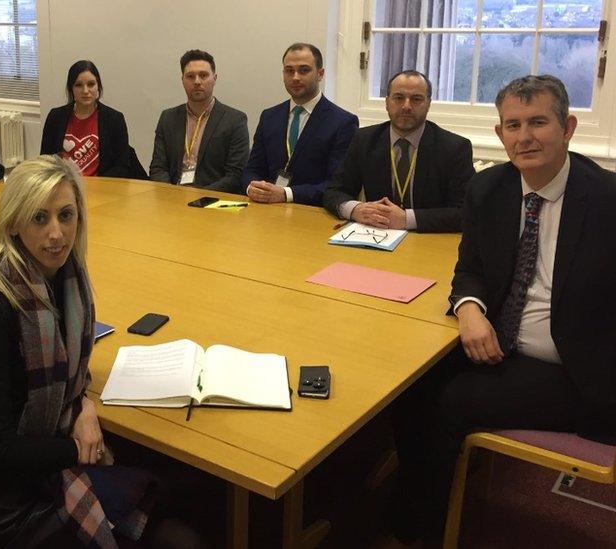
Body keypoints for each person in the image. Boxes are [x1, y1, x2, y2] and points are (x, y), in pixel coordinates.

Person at [388, 75, 616, 543]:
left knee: (453, 402)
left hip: (575, 366)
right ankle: (421, 489)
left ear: (569, 127)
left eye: (538, 122)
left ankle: (423, 527)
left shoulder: (606, 200)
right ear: (499, 134)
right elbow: (468, 267)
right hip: (498, 342)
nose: (524, 136)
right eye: (512, 125)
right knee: (404, 383)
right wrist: (469, 308)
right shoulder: (489, 189)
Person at [0, 155, 156, 546]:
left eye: (66, 215)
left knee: (169, 507)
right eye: (39, 218)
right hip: (3, 502)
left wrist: (85, 406)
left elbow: (69, 376)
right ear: (13, 222)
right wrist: (78, 448)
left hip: (45, 467)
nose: (57, 234)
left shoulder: (68, 281)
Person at [323, 70, 474, 233]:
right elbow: (334, 191)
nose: (406, 106)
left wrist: (407, 219)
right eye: (399, 98)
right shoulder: (364, 140)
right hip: (376, 236)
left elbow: (465, 211)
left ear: (428, 104)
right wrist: (356, 209)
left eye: (416, 99)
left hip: (428, 240)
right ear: (387, 102)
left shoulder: (455, 148)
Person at [242, 43, 358, 206]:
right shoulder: (269, 116)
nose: (295, 77)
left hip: (312, 214)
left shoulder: (343, 122)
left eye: (304, 70)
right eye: (289, 71)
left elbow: (337, 185)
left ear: (320, 74)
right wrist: (251, 187)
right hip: (266, 211)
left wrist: (286, 193)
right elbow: (252, 169)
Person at [149, 49, 249, 192]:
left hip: (212, 201)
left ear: (214, 78)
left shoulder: (235, 120)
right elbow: (158, 167)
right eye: (190, 76)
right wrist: (170, 193)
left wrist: (198, 196)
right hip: (172, 199)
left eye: (203, 75)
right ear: (182, 80)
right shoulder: (168, 118)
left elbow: (235, 175)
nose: (197, 81)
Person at [41, 60, 147, 179]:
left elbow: (121, 166)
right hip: (64, 188)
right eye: (79, 85)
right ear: (71, 89)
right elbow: (45, 162)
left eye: (91, 84)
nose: (86, 91)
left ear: (98, 87)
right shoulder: (55, 117)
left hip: (102, 189)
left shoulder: (115, 119)